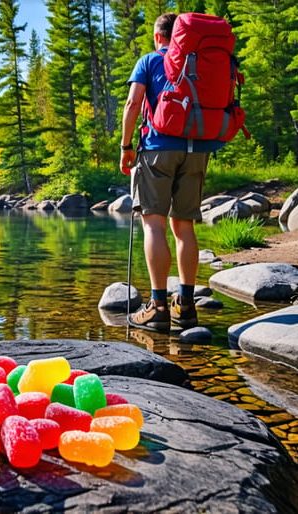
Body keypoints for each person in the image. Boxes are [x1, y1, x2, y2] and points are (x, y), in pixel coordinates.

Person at [119, 13, 224, 332]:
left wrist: (126, 147)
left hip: (157, 150)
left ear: (158, 36)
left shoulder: (150, 61)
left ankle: (158, 306)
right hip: (197, 150)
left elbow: (133, 104)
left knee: (154, 225)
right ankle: (187, 307)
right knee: (184, 227)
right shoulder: (201, 62)